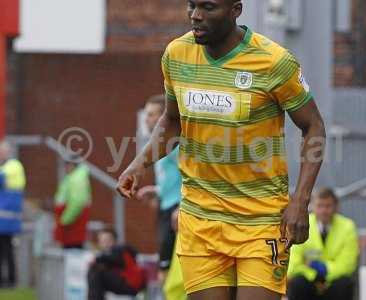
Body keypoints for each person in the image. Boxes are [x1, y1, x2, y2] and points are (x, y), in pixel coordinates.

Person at [117, 0, 326, 299]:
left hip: (260, 221)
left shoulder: (274, 61)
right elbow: (172, 121)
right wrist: (140, 164)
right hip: (200, 219)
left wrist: (300, 200)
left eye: (208, 7)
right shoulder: (177, 55)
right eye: (191, 5)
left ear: (235, 10)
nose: (196, 15)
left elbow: (314, 126)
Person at [137, 94, 182, 280]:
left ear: (163, 115)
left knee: (170, 275)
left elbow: (193, 175)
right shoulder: (159, 143)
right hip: (166, 207)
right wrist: (156, 191)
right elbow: (173, 178)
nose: (146, 119)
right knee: (165, 274)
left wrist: (182, 206)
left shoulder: (173, 144)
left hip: (176, 212)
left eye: (151, 114)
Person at [287, 188, 359, 300]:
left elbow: (347, 264)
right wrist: (315, 275)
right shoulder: (302, 224)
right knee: (298, 283)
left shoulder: (348, 227)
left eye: (328, 206)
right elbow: (294, 265)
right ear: (313, 206)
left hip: (334, 283)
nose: (324, 210)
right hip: (309, 281)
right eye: (320, 206)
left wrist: (324, 269)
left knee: (344, 283)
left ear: (336, 207)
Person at [87, 227, 146, 300]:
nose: (105, 244)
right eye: (102, 241)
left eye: (108, 240)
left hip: (131, 286)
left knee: (95, 271)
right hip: (127, 284)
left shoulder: (120, 249)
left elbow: (113, 258)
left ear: (115, 241)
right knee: (96, 272)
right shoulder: (109, 254)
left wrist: (97, 259)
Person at [0, 140, 26, 287]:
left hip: (7, 218)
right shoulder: (7, 166)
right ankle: (7, 280)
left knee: (7, 249)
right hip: (5, 217)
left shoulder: (13, 165)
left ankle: (10, 280)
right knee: (4, 249)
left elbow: (2, 179)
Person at [54, 155, 91, 249]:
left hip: (72, 225)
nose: (65, 167)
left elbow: (77, 203)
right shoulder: (73, 177)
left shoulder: (77, 179)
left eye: (67, 165)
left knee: (73, 253)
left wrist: (65, 220)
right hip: (71, 222)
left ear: (72, 165)